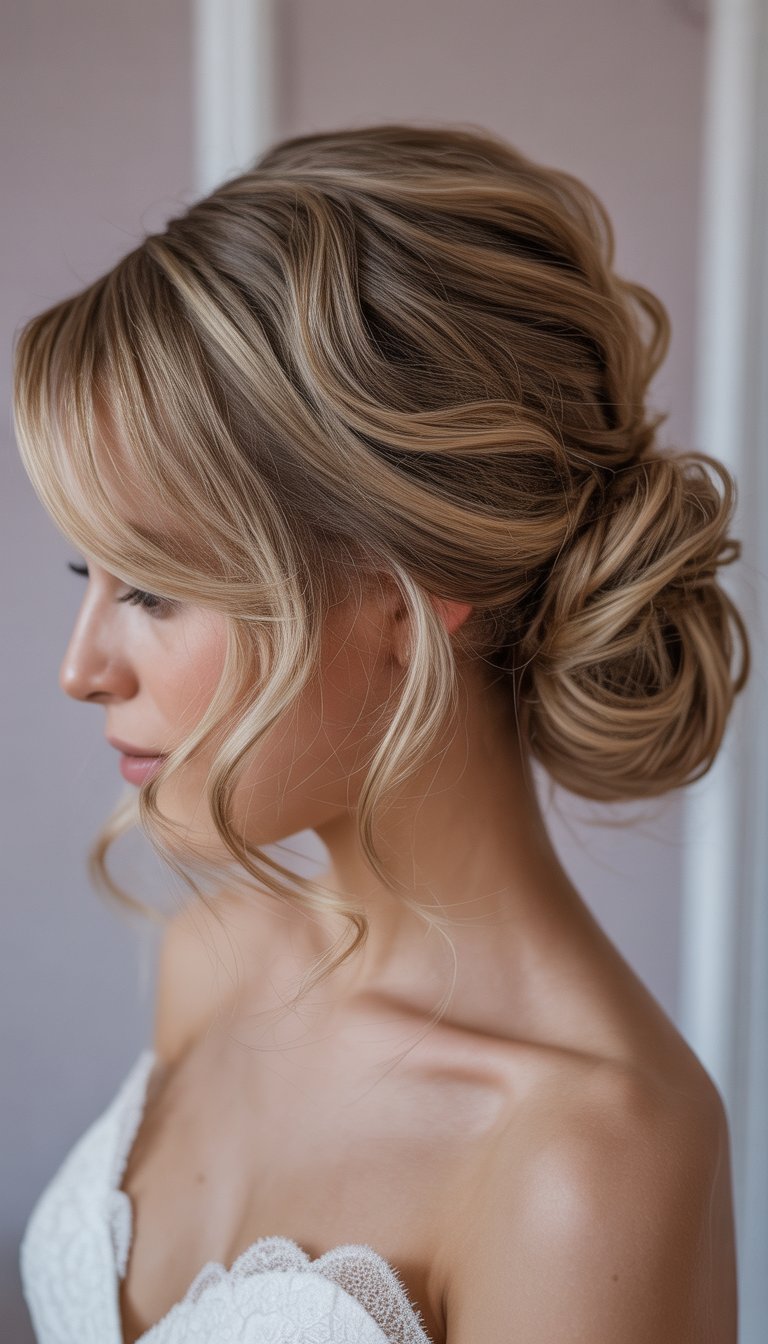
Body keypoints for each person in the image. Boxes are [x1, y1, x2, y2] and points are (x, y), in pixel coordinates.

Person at [13, 122, 749, 1344]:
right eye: (85, 573)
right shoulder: (215, 960)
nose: (79, 668)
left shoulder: (588, 1157)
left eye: (151, 589)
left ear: (404, 592)